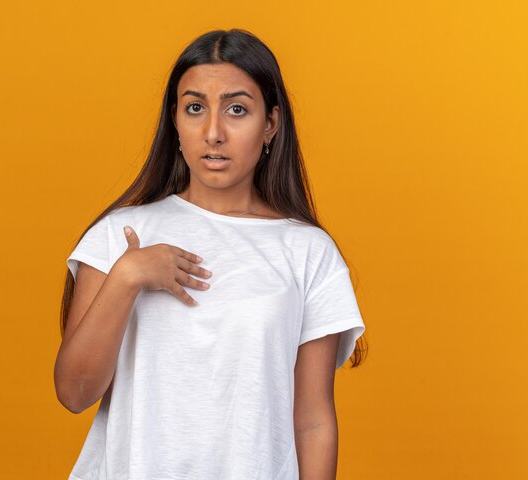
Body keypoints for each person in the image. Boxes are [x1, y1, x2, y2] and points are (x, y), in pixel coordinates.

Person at [54, 28, 368, 480]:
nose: (213, 132)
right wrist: (127, 276)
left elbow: (314, 420)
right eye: (195, 108)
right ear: (175, 121)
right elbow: (74, 392)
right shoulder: (121, 236)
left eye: (237, 109)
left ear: (271, 125)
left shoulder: (308, 253)